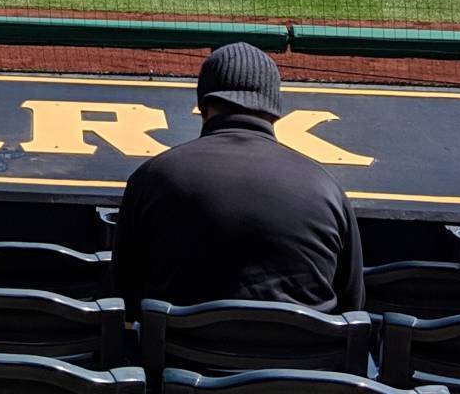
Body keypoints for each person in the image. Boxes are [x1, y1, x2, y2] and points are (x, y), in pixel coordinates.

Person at [114, 43, 365, 312]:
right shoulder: (327, 190)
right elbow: (353, 310)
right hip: (300, 352)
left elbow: (122, 298)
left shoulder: (151, 178)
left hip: (179, 353)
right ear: (274, 111)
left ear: (204, 105)